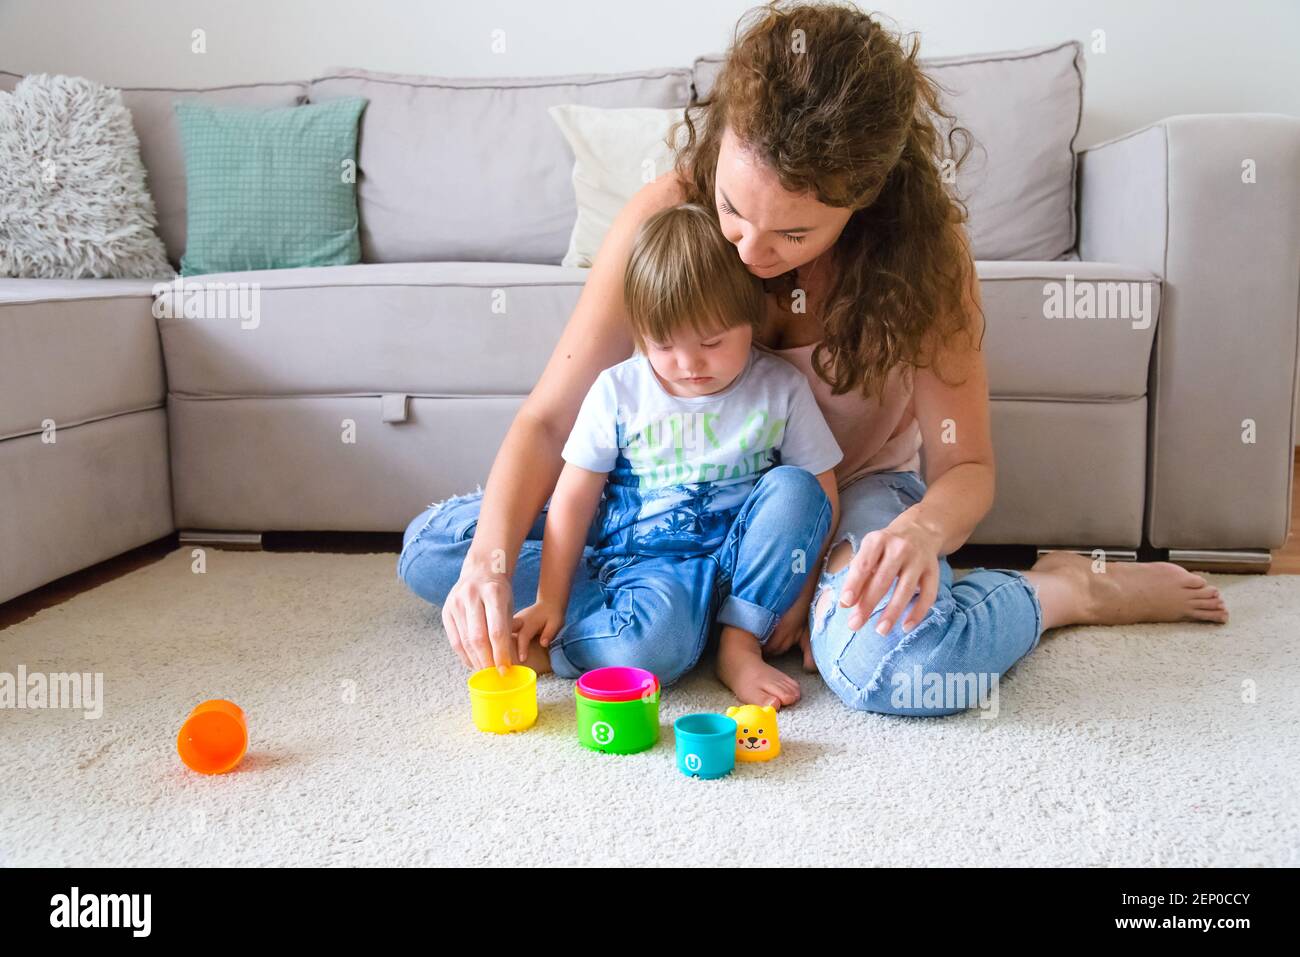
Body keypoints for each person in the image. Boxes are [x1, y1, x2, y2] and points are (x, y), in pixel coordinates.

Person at [399, 0, 1228, 718]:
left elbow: (967, 466)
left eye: (794, 232)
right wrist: (493, 562)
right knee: (441, 553)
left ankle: (1061, 592)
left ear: (861, 203)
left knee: (891, 664)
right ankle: (687, 605)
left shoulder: (921, 255)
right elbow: (551, 418)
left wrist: (916, 533)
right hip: (667, 496)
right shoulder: (672, 216)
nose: (750, 249)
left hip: (835, 497)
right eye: (732, 207)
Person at [511, 203, 842, 707]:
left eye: (712, 341)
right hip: (646, 569)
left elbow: (822, 501)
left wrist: (798, 598)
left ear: (750, 320)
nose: (689, 365)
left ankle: (736, 642)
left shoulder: (780, 388)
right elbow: (574, 498)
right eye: (663, 346)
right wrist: (549, 601)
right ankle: (573, 636)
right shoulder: (619, 390)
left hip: (741, 567)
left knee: (800, 488)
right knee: (654, 644)